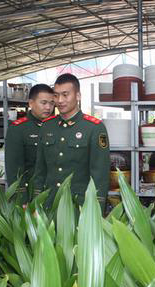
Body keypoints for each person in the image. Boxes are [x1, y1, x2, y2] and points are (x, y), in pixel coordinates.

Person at [34, 73, 110, 208]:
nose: (60, 100)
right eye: (56, 95)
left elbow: (100, 175)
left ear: (78, 95)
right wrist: (36, 200)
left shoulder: (94, 128)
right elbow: (40, 170)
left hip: (79, 206)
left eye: (65, 94)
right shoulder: (47, 126)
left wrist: (95, 210)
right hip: (49, 204)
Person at [5, 84, 55, 203]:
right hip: (31, 195)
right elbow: (14, 170)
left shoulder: (57, 126)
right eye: (43, 103)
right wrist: (22, 200)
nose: (48, 107)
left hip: (54, 193)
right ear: (31, 103)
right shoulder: (19, 129)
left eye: (52, 103)